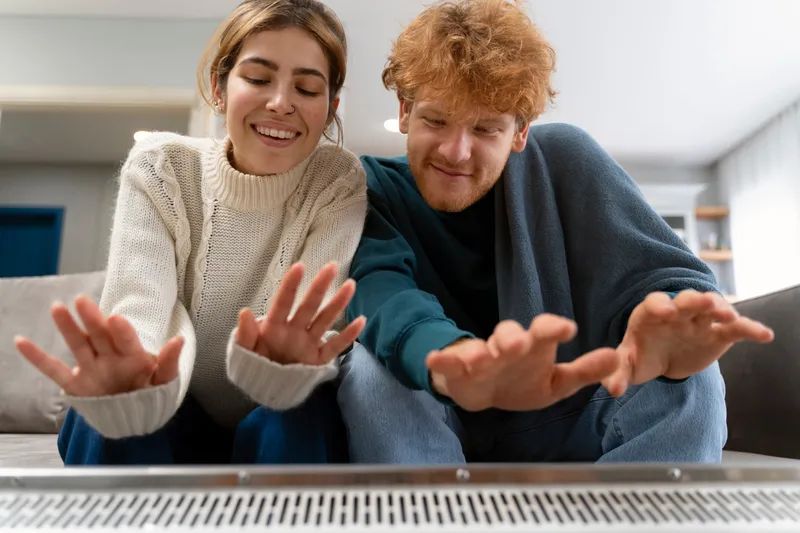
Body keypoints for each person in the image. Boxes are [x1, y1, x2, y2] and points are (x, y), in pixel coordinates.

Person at [338, 0, 774, 464]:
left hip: (560, 414)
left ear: (520, 133)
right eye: (435, 120)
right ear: (405, 111)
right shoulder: (365, 189)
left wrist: (675, 326)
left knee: (693, 384)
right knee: (368, 370)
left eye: (486, 129)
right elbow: (378, 288)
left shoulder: (566, 158)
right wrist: (457, 361)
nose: (456, 151)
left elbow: (662, 275)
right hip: (439, 411)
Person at [14, 0, 367, 466]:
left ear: (330, 108)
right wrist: (133, 376)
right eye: (258, 79)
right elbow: (141, 303)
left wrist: (286, 368)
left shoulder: (338, 180)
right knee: (102, 417)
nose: (281, 103)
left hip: (279, 409)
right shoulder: (162, 168)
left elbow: (309, 319)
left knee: (303, 415)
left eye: (306, 87)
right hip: (172, 406)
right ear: (219, 90)